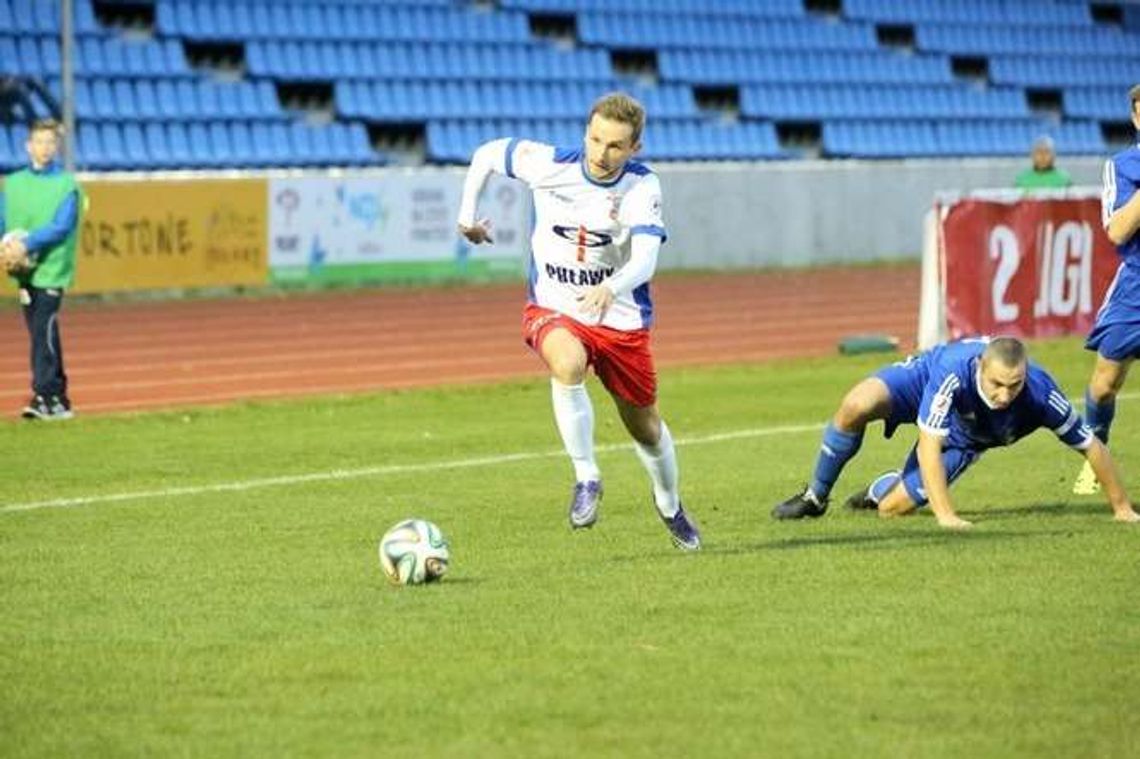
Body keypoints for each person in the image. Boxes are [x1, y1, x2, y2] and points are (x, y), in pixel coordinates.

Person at [455, 92, 701, 550]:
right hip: (556, 307)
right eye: (595, 139)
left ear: (634, 148)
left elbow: (646, 258)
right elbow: (488, 154)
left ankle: (669, 505)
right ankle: (587, 476)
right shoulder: (549, 164)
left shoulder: (641, 186)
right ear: (586, 132)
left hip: (620, 319)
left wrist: (613, 286)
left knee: (646, 428)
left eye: (615, 145)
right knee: (566, 364)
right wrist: (467, 217)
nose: (601, 153)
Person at [772, 337, 1138, 528]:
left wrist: (1122, 509)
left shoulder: (1042, 394)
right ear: (980, 367)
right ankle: (815, 497)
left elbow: (1091, 445)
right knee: (856, 404)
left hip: (968, 437)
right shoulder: (953, 371)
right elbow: (929, 444)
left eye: (1014, 385)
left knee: (890, 509)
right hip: (924, 379)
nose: (1005, 395)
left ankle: (880, 487)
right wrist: (945, 515)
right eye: (997, 384)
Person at [1073, 83, 1140, 495]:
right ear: (1136, 117)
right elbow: (1117, 231)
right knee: (1104, 383)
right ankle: (1096, 459)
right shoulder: (1122, 166)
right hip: (1136, 288)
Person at [0, 118, 82, 420]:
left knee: (41, 328)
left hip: (52, 268)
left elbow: (62, 226)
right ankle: (59, 398)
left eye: (50, 143)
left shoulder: (66, 185)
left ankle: (44, 396)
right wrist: (6, 246)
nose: (45, 148)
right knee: (42, 331)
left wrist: (27, 244)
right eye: (39, 142)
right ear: (28, 146)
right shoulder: (13, 184)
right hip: (23, 270)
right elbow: (3, 220)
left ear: (57, 147)